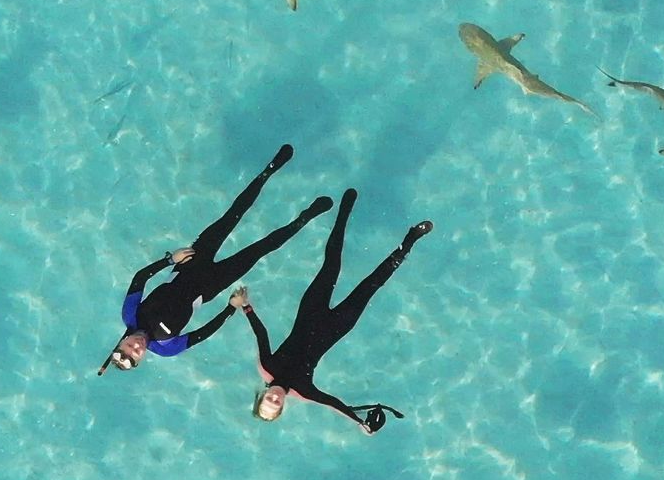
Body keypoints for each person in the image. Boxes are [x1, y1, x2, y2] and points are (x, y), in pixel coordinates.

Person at [101, 145, 331, 373]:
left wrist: (171, 260)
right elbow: (205, 332)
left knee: (232, 216)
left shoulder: (130, 314)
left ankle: (269, 170)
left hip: (188, 264)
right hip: (210, 286)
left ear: (122, 342)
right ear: (141, 359)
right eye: (136, 353)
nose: (136, 346)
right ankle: (305, 217)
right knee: (260, 249)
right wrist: (230, 308)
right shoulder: (166, 348)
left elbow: (140, 278)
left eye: (129, 346)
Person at [231, 189, 430, 432]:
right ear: (283, 406)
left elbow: (261, 335)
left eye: (267, 401)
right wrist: (360, 423)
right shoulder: (303, 391)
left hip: (309, 311)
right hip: (338, 326)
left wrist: (246, 307)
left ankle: (343, 214)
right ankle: (410, 240)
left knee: (331, 264)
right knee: (372, 284)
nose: (274, 399)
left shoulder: (266, 366)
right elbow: (333, 404)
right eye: (276, 405)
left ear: (261, 396)